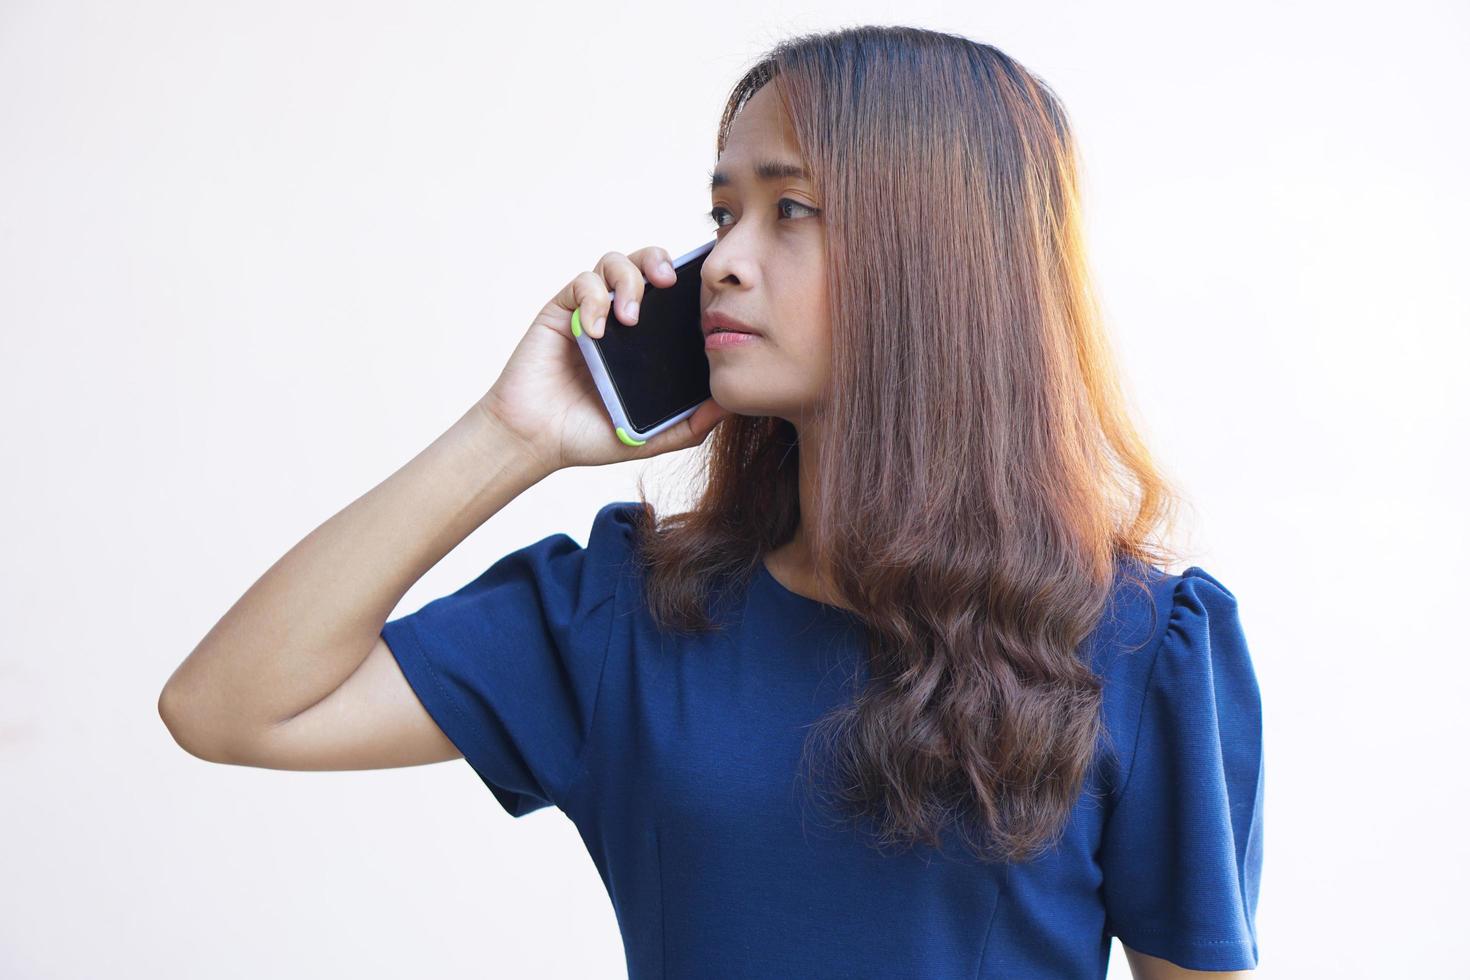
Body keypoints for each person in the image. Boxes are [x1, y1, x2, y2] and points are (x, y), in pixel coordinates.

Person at [158, 25, 1263, 980]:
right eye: (721, 210)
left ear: (936, 255)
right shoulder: (625, 611)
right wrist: (514, 434)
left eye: (790, 208)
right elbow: (229, 706)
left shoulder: (1144, 645)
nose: (722, 260)